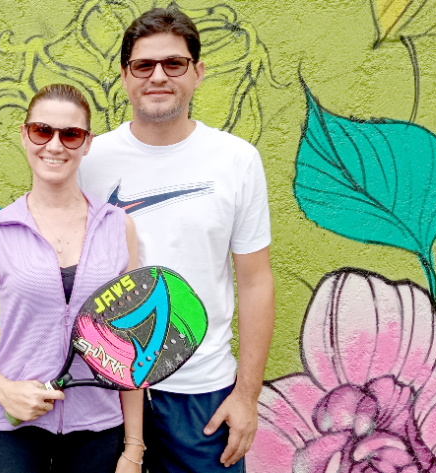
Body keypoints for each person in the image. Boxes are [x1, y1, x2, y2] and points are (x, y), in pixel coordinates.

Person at [77, 7, 276, 473]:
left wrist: (247, 396)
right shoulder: (89, 158)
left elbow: (255, 282)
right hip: (105, 386)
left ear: (198, 72)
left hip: (202, 394)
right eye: (144, 65)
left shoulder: (236, 161)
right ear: (125, 77)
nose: (158, 76)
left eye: (174, 64)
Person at [0, 84, 143, 473]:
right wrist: (3, 391)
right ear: (24, 134)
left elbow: (131, 343)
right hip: (15, 429)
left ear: (87, 144)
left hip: (99, 428)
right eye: (41, 131)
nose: (54, 145)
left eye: (70, 134)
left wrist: (133, 447)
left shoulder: (119, 228)